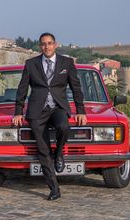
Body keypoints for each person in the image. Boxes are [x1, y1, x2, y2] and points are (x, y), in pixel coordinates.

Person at [11, 32, 87, 201]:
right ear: (40, 47)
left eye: (50, 43)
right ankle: (54, 189)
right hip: (37, 111)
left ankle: (59, 153)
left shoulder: (67, 63)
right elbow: (22, 89)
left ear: (55, 44)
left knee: (64, 127)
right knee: (43, 150)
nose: (47, 46)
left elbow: (76, 87)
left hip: (58, 107)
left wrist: (81, 110)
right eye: (43, 44)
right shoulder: (31, 64)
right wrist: (18, 112)